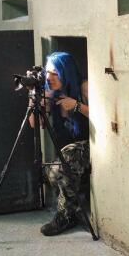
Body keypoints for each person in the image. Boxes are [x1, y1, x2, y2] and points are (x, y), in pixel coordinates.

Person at [29, 51, 89, 236]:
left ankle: (64, 216)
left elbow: (104, 116)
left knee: (60, 168)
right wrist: (35, 100)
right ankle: (75, 211)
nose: (49, 77)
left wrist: (76, 105)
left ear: (66, 71)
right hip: (66, 154)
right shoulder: (51, 93)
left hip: (90, 147)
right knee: (52, 171)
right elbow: (34, 124)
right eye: (47, 73)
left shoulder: (83, 88)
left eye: (55, 73)